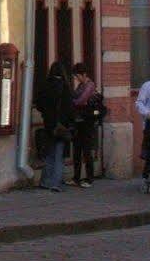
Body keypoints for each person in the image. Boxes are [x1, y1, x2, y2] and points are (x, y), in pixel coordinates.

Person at [35, 61, 75, 191]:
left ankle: (45, 181)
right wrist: (68, 123)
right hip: (61, 126)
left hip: (49, 124)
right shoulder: (65, 88)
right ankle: (55, 183)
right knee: (59, 155)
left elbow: (39, 103)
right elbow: (70, 109)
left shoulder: (46, 86)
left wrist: (47, 115)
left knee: (49, 153)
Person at [71, 71, 106, 187]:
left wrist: (73, 102)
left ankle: (89, 178)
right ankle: (76, 177)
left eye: (77, 75)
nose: (76, 78)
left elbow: (81, 100)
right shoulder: (81, 85)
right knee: (77, 150)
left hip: (88, 122)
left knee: (86, 151)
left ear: (84, 74)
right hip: (79, 122)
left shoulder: (90, 85)